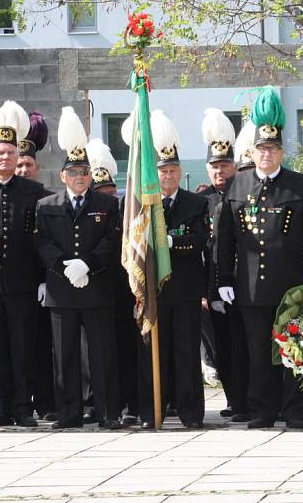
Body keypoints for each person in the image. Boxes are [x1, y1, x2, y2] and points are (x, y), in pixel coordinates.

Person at [216, 90, 303, 429]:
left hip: (292, 287)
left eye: (273, 149)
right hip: (252, 288)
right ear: (252, 152)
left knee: (297, 350)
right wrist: (224, 279)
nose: (267, 154)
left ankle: (295, 412)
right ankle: (263, 411)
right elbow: (224, 240)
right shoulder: (236, 186)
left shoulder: (301, 185)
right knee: (257, 353)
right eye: (261, 149)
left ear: (281, 151)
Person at [36, 106, 121, 429]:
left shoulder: (107, 204)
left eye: (84, 172)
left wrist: (86, 264)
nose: (80, 178)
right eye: (73, 172)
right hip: (62, 290)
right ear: (63, 176)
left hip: (96, 287)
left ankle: (107, 413)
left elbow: (111, 241)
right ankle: (69, 414)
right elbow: (43, 243)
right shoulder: (46, 206)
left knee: (102, 355)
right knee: (65, 356)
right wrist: (64, 266)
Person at [134, 109, 209, 429]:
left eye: (174, 170)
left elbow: (200, 239)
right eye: (163, 171)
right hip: (154, 289)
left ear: (181, 173)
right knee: (155, 353)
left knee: (186, 353)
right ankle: (154, 410)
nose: (168, 176)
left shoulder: (196, 203)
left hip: (186, 288)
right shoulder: (144, 204)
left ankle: (191, 413)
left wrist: (172, 243)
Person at [0, 101, 48, 427]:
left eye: (10, 153)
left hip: (23, 283)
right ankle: (2, 408)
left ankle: (23, 408)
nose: (5, 158)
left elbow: (42, 240)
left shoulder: (33, 192)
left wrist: (42, 278)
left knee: (24, 348)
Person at [86, 137, 139, 425]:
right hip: (98, 288)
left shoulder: (124, 213)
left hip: (125, 290)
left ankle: (132, 400)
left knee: (128, 348)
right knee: (101, 351)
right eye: (100, 191)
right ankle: (102, 401)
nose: (106, 196)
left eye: (109, 190)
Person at [198, 121, 245, 421]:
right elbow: (201, 252)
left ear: (235, 166)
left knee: (247, 346)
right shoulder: (200, 202)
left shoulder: (246, 193)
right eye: (215, 166)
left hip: (248, 283)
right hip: (216, 287)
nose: (220, 171)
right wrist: (205, 291)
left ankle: (254, 398)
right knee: (224, 348)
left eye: (225, 165)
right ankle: (234, 400)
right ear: (207, 169)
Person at [15, 111, 58, 423]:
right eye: (18, 164)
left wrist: (46, 279)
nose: (23, 169)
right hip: (12, 282)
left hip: (41, 284)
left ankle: (45, 400)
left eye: (28, 164)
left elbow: (49, 243)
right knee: (17, 346)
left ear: (37, 167)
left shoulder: (47, 198)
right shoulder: (1, 197)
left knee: (42, 345)